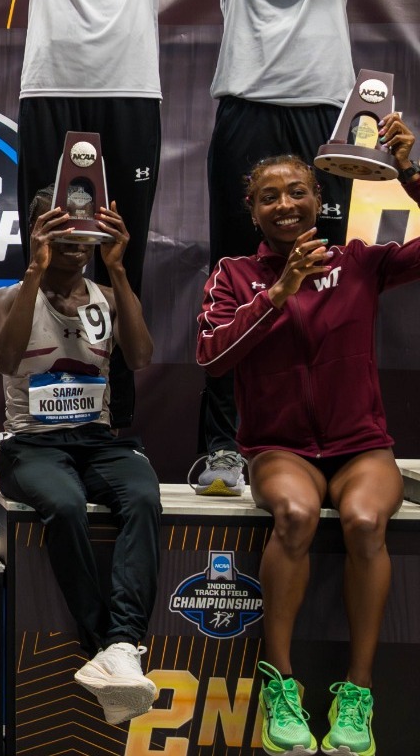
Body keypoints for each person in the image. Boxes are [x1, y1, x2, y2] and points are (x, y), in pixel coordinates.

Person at [194, 123, 419, 756]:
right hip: (280, 448)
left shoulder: (360, 262)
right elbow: (212, 359)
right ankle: (281, 684)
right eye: (269, 196)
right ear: (252, 208)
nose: (285, 204)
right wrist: (278, 293)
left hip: (360, 445)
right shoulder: (235, 275)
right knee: (293, 515)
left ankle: (358, 692)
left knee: (365, 520)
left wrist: (408, 170)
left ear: (320, 199)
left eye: (297, 192)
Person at [187, 0, 380, 499]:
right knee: (238, 284)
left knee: (328, 281)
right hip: (245, 121)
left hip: (325, 132)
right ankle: (223, 450)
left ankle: (328, 435)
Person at [0, 0, 205, 433]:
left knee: (121, 253)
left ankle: (117, 426)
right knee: (46, 245)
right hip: (51, 94)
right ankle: (38, 423)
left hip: (130, 99)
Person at [0, 193, 160, 725]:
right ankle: (109, 646)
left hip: (98, 440)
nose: (74, 244)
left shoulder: (106, 295)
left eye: (84, 233)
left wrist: (121, 272)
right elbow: (6, 358)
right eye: (60, 230)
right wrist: (35, 272)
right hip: (30, 443)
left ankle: (121, 646)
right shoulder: (8, 296)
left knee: (143, 495)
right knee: (64, 504)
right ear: (39, 231)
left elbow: (143, 356)